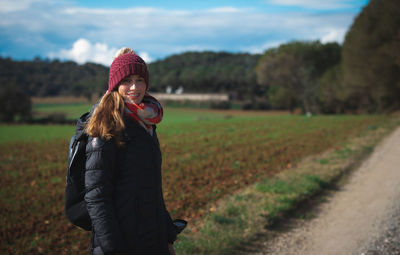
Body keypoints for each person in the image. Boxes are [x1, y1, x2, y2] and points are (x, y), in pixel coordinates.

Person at [83, 47, 177, 255]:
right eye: (126, 81)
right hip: (122, 244)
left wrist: (167, 237)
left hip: (152, 240)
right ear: (115, 85)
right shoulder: (106, 126)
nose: (135, 87)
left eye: (140, 79)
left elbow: (150, 189)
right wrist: (113, 249)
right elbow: (97, 197)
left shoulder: (146, 124)